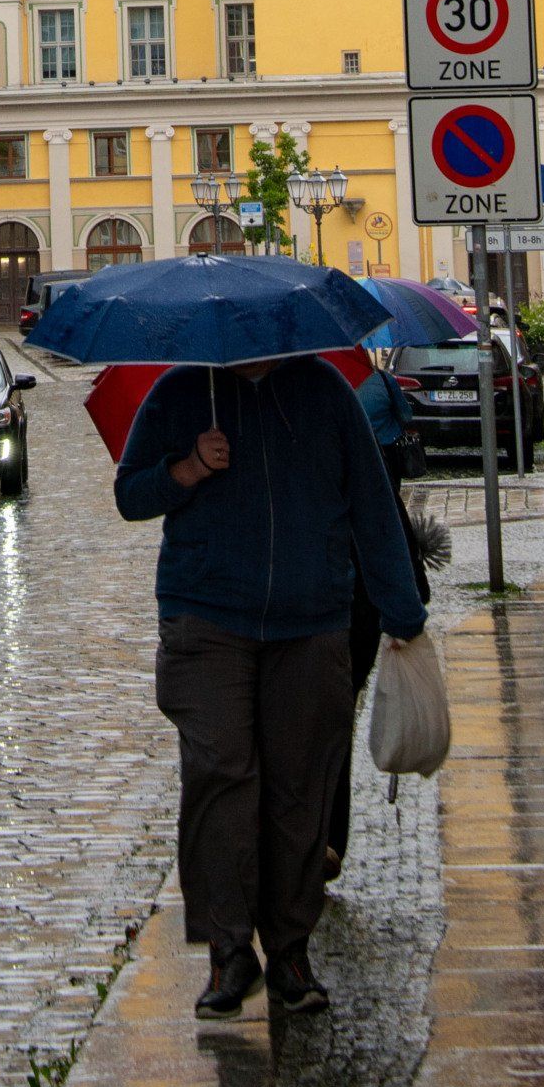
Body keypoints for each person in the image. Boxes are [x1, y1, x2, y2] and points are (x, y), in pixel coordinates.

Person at [116, 355, 427, 1021]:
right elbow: (130, 495)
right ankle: (229, 951)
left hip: (311, 621)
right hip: (205, 618)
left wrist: (402, 610)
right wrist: (187, 468)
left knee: (300, 788)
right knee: (219, 775)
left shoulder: (325, 393)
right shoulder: (180, 392)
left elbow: (373, 505)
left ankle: (290, 950)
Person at [326, 365, 432, 875]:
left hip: (347, 603)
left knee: (330, 719)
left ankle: (322, 841)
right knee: (330, 721)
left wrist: (403, 610)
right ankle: (318, 840)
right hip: (331, 600)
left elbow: (378, 518)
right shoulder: (365, 387)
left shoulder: (333, 405)